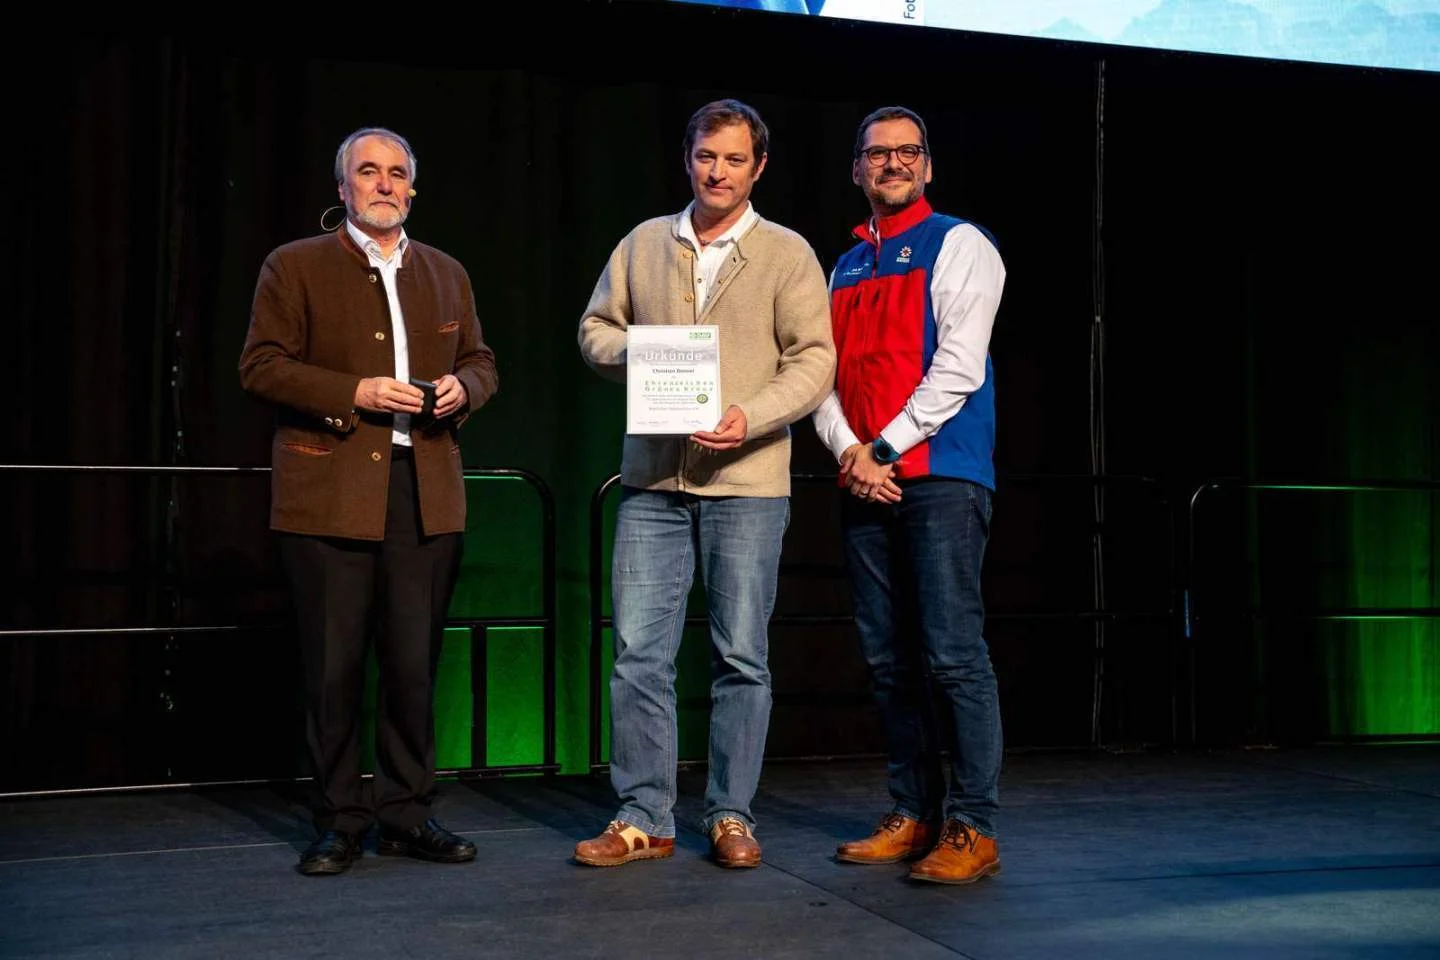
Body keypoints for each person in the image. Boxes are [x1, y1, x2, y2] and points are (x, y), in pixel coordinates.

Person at [575, 99, 835, 869]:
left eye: (733, 159)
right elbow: (595, 329)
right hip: (654, 481)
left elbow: (815, 361)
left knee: (741, 656)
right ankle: (644, 815)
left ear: (757, 168)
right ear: (687, 159)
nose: (717, 172)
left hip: (749, 481)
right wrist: (645, 358)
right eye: (705, 157)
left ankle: (729, 814)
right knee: (638, 655)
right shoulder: (644, 242)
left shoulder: (787, 252)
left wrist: (750, 415)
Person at [239, 126, 498, 876]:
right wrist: (350, 392)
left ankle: (407, 812)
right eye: (367, 172)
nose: (383, 184)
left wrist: (464, 389)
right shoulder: (296, 265)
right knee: (334, 668)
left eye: (395, 174)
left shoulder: (447, 271)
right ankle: (339, 819)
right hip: (331, 493)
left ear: (411, 188)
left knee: (414, 666)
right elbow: (260, 366)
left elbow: (482, 361)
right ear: (343, 187)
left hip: (425, 493)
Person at [811, 106, 1006, 884]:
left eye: (906, 152)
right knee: (889, 660)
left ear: (927, 166)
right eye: (876, 154)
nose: (891, 163)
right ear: (857, 170)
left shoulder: (961, 244)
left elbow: (959, 367)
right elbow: (818, 376)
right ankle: (914, 810)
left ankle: (972, 825)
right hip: (866, 477)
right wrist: (852, 453)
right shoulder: (844, 265)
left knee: (954, 656)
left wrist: (882, 448)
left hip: (940, 477)